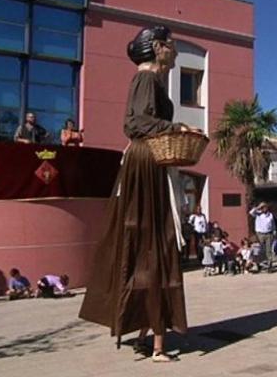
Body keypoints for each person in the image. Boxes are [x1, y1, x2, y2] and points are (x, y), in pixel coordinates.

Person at [79, 26, 191, 362]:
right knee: (154, 243)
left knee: (150, 245)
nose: (174, 50)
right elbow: (137, 123)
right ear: (157, 48)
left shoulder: (153, 80)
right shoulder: (146, 78)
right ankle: (154, 340)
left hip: (148, 160)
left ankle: (147, 330)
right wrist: (177, 127)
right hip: (147, 160)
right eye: (171, 45)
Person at [249, 202, 276, 273]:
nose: (264, 209)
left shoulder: (270, 215)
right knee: (259, 250)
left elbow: (273, 224)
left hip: (269, 233)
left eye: (265, 207)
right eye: (262, 207)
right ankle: (258, 265)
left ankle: (270, 265)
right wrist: (258, 207)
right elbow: (251, 212)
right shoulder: (258, 214)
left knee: (268, 250)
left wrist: (274, 231)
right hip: (260, 234)